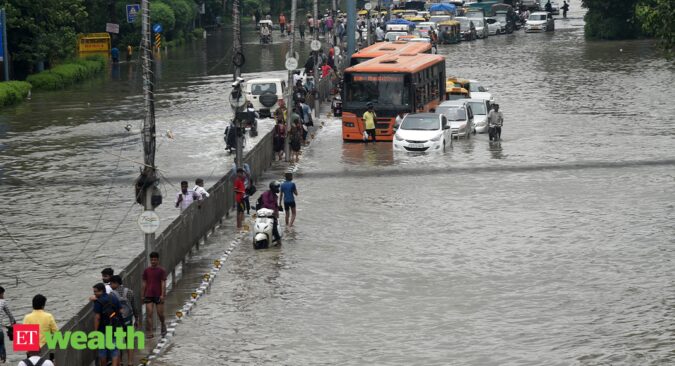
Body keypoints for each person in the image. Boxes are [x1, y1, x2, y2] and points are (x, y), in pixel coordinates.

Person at [109, 275, 138, 366]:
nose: (110, 285)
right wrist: (136, 318)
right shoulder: (130, 292)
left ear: (116, 283)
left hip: (118, 322)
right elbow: (134, 307)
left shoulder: (112, 295)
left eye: (111, 283)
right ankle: (130, 362)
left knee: (119, 342)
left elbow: (111, 311)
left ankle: (120, 361)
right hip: (128, 320)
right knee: (129, 341)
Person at [92, 283, 122, 366]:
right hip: (116, 327)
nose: (94, 294)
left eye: (96, 292)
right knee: (115, 350)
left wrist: (95, 331)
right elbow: (121, 310)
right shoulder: (113, 297)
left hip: (103, 330)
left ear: (101, 291)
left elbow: (97, 318)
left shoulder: (98, 302)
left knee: (102, 351)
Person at [142, 252, 167, 338]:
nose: (153, 261)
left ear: (158, 260)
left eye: (155, 260)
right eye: (152, 260)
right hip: (148, 294)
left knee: (160, 314)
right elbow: (144, 283)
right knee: (149, 313)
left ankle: (163, 324)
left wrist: (162, 295)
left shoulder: (161, 271)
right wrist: (142, 295)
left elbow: (163, 283)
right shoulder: (146, 271)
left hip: (158, 294)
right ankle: (150, 332)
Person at [0, 286, 16, 364]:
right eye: (3, 294)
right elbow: (10, 315)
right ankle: (3, 360)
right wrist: (12, 323)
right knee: (1, 345)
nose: (3, 296)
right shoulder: (2, 302)